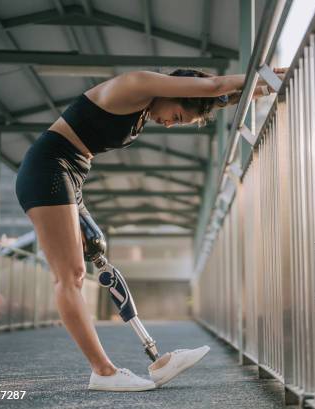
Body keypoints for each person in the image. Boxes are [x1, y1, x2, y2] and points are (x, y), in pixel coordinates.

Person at [15, 68, 284, 391]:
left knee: (98, 255)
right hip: (49, 167)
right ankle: (102, 371)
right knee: (69, 275)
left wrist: (264, 89)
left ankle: (156, 357)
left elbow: (218, 96)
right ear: (175, 90)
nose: (170, 123)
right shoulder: (137, 83)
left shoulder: (146, 107)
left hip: (70, 175)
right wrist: (261, 73)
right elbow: (214, 85)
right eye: (177, 115)